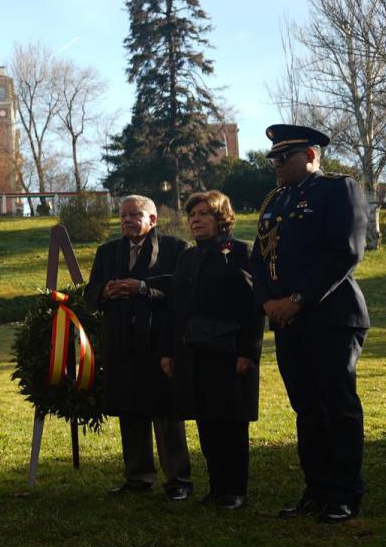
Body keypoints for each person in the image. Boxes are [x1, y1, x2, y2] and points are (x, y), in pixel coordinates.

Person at [250, 124, 370, 523]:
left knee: (337, 405)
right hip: (286, 322)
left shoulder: (339, 189)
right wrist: (268, 301)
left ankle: (345, 493)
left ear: (312, 156)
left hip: (331, 317)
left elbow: (346, 252)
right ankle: (316, 489)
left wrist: (297, 299)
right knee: (306, 408)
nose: (276, 164)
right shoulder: (276, 200)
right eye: (273, 158)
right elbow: (259, 259)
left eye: (285, 157)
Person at [153, 191, 265, 510]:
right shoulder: (186, 257)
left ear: (221, 218)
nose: (196, 220)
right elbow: (175, 309)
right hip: (192, 352)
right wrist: (167, 352)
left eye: (203, 213)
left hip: (229, 353)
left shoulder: (240, 252)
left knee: (230, 422)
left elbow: (252, 308)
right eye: (192, 215)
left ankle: (235, 490)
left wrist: (249, 352)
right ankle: (216, 488)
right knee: (205, 420)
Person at [84, 195, 192, 499]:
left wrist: (142, 288)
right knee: (130, 412)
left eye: (134, 215)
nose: (127, 221)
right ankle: (138, 478)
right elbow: (89, 294)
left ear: (152, 220)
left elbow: (181, 291)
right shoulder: (107, 252)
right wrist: (105, 290)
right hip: (121, 344)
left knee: (167, 415)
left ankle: (179, 481)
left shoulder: (176, 249)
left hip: (160, 344)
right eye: (122, 216)